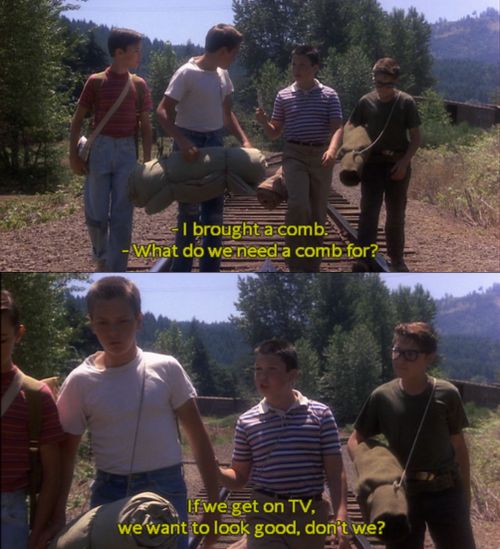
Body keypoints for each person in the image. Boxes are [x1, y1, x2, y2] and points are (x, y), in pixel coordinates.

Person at [52, 277, 219, 549]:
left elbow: (199, 440)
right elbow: (66, 455)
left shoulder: (166, 368)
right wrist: (58, 512)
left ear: (139, 320)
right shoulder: (79, 381)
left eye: (123, 321)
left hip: (166, 487)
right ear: (91, 323)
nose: (113, 332)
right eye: (103, 322)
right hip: (110, 490)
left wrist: (213, 508)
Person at [347, 322, 476, 549]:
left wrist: (465, 496)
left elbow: (459, 447)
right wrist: (372, 470)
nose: (399, 359)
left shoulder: (447, 394)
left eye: (410, 354)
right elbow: (355, 439)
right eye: (396, 351)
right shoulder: (382, 397)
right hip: (403, 494)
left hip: (446, 492)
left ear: (429, 357)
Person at [218, 339, 350, 549]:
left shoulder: (320, 415)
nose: (262, 376)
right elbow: (240, 477)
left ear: (292, 375)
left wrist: (341, 515)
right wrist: (216, 471)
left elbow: (335, 473)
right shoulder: (247, 421)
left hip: (309, 513)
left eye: (271, 369)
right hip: (265, 510)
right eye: (258, 369)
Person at [156, 23, 252, 272]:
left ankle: (210, 269)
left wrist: (245, 141)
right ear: (223, 51)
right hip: (188, 143)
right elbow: (162, 112)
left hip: (215, 143)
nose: (236, 57)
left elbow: (227, 114)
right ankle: (182, 271)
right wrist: (183, 141)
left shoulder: (223, 75)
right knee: (188, 215)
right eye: (235, 52)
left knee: (214, 217)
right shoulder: (187, 73)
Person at [69, 28, 153, 272]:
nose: (139, 56)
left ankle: (117, 265)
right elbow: (77, 120)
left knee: (122, 215)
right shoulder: (95, 82)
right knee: (95, 212)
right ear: (119, 52)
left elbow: (146, 127)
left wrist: (147, 165)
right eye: (135, 51)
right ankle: (101, 256)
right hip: (101, 148)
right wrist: (73, 156)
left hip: (127, 150)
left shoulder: (139, 85)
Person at [255, 45, 343, 272]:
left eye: (303, 65)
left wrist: (332, 150)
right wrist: (265, 122)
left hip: (320, 156)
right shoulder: (283, 95)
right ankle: (294, 262)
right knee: (298, 204)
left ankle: (311, 263)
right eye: (294, 64)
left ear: (315, 68)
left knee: (317, 210)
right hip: (294, 154)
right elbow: (275, 132)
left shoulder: (329, 95)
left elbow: (337, 129)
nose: (297, 69)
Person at [1, 290, 65, 549]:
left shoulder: (36, 396)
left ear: (19, 334)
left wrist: (37, 532)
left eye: (1, 339)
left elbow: (53, 473)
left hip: (10, 514)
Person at [346, 57, 422, 273]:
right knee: (369, 211)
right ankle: (363, 257)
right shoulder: (365, 102)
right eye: (378, 83)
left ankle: (396, 258)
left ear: (395, 82)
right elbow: (350, 125)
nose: (382, 89)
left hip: (397, 164)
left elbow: (416, 137)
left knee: (396, 214)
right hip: (372, 165)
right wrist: (352, 146)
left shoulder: (406, 102)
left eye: (387, 84)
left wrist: (404, 163)